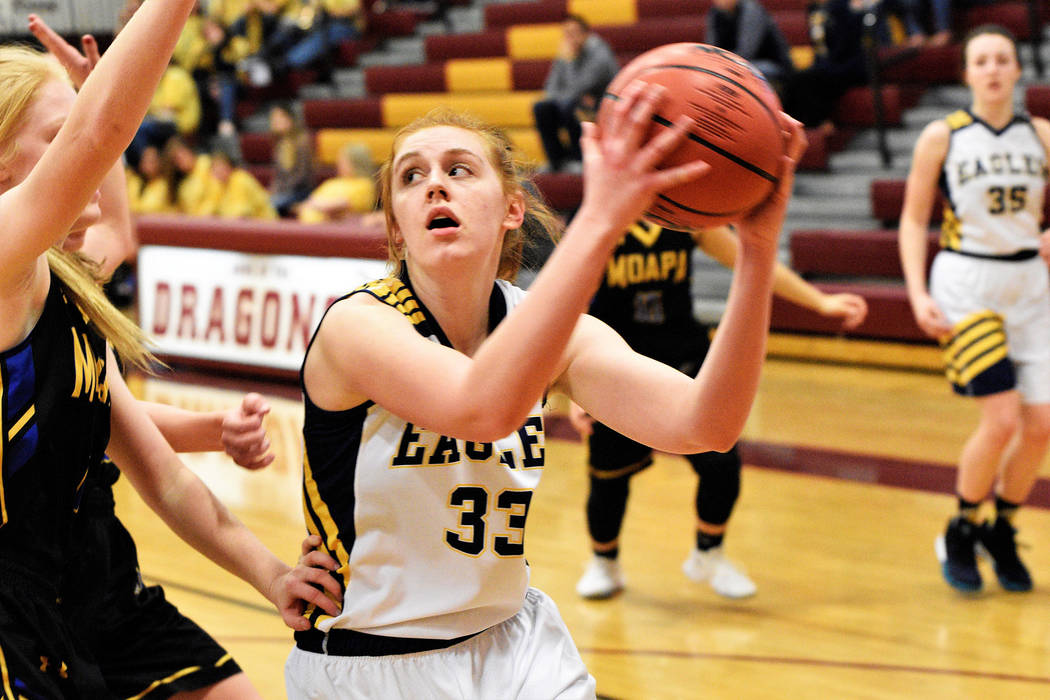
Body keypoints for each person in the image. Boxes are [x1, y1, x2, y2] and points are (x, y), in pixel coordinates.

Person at [285, 77, 806, 696]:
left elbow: (707, 425)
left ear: (512, 210)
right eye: (410, 176)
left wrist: (757, 250)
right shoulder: (357, 325)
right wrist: (603, 219)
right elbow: (479, 408)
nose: (434, 184)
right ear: (397, 228)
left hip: (515, 640)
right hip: (372, 658)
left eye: (459, 169)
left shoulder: (551, 332)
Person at [0, 4, 339, 695]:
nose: (86, 160)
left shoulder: (64, 280)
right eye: (58, 138)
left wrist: (271, 573)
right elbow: (101, 134)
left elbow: (166, 478)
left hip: (98, 586)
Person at [571, 221, 868, 599]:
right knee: (608, 477)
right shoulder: (600, 218)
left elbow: (751, 260)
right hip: (617, 365)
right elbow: (573, 305)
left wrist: (820, 301)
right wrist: (579, 392)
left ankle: (708, 553)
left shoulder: (685, 214)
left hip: (687, 359)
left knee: (721, 460)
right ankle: (604, 562)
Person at [898, 24, 1050, 594]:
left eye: (1001, 59)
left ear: (1016, 70)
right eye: (980, 60)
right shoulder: (942, 136)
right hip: (967, 282)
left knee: (1042, 428)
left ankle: (1001, 529)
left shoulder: (1040, 134)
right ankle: (961, 527)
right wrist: (917, 293)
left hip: (1031, 284)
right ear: (966, 73)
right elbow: (914, 220)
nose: (991, 68)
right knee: (1003, 418)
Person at [532, 14, 619, 173]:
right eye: (566, 33)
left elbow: (581, 85)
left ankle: (579, 158)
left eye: (574, 32)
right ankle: (556, 161)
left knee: (570, 106)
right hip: (576, 102)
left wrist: (569, 60)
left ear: (586, 34)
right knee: (541, 107)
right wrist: (562, 97)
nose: (569, 37)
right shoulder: (566, 53)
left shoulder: (599, 51)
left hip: (604, 105)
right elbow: (550, 88)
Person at [782, 0, 874, 131]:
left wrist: (821, 67)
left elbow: (845, 47)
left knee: (805, 79)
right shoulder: (814, 9)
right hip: (827, 65)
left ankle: (812, 125)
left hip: (848, 65)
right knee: (796, 79)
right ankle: (791, 127)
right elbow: (819, 47)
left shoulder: (841, 7)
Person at [705, 0, 795, 93]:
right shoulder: (715, 13)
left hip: (771, 64)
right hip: (737, 63)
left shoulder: (751, 10)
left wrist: (723, 67)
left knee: (743, 73)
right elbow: (712, 50)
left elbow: (747, 52)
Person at [298, 141, 377, 223]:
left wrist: (317, 205)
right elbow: (308, 202)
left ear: (356, 163)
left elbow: (340, 205)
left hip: (337, 229)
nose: (339, 164)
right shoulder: (331, 183)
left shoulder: (364, 184)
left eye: (344, 161)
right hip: (308, 227)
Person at [269, 102, 315, 217]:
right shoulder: (280, 144)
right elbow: (279, 175)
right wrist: (274, 189)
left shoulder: (302, 142)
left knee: (272, 204)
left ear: (290, 119)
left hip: (300, 192)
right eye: (273, 117)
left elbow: (302, 176)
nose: (275, 120)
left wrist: (281, 190)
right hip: (285, 191)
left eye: (279, 116)